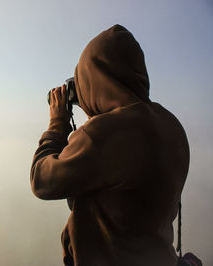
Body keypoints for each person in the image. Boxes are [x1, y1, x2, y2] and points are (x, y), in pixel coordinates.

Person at [30, 24, 189, 266]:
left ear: (97, 81)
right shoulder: (171, 124)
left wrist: (56, 125)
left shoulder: (104, 135)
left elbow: (41, 180)